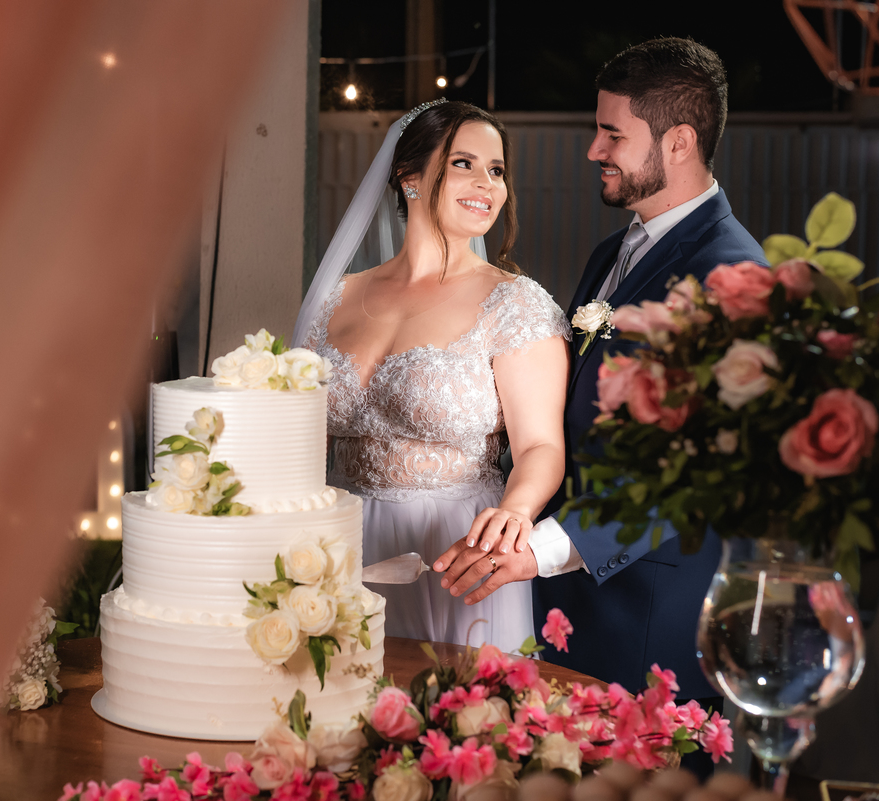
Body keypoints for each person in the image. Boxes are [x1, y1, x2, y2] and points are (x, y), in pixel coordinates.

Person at [432, 37, 767, 770]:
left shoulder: (731, 277)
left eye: (613, 134)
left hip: (648, 628)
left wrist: (540, 550)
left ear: (679, 142)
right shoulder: (614, 253)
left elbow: (691, 476)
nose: (593, 150)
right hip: (575, 614)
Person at [296, 101, 571, 651]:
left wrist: (516, 511)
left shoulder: (514, 304)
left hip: (453, 551)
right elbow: (295, 435)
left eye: (497, 170)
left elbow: (541, 445)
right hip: (334, 546)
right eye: (464, 163)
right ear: (410, 177)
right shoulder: (335, 296)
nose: (488, 184)